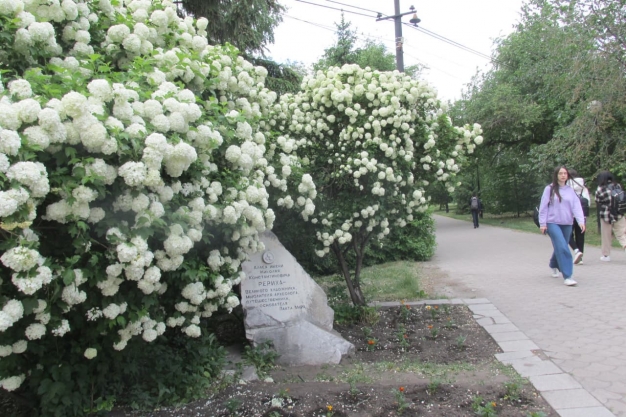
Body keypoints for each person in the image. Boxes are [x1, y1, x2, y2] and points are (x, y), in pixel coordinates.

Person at [538, 166, 586, 286]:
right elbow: (543, 207)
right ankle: (568, 276)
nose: (563, 175)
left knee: (561, 246)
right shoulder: (549, 189)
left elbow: (577, 206)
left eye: (565, 173)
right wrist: (542, 223)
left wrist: (581, 221)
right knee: (563, 247)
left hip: (567, 223)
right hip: (552, 223)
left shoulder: (570, 190)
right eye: (560, 173)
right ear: (556, 175)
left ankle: (553, 264)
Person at [594, 171, 626, 261]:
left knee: (606, 236)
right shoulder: (617, 186)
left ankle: (606, 255)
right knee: (622, 233)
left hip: (606, 215)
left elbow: (597, 200)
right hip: (619, 213)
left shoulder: (600, 189)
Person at [566, 169, 590, 265]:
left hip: (569, 214)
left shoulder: (566, 187)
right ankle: (580, 258)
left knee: (568, 234)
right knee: (580, 236)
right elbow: (588, 201)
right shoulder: (583, 187)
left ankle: (576, 251)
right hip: (581, 215)